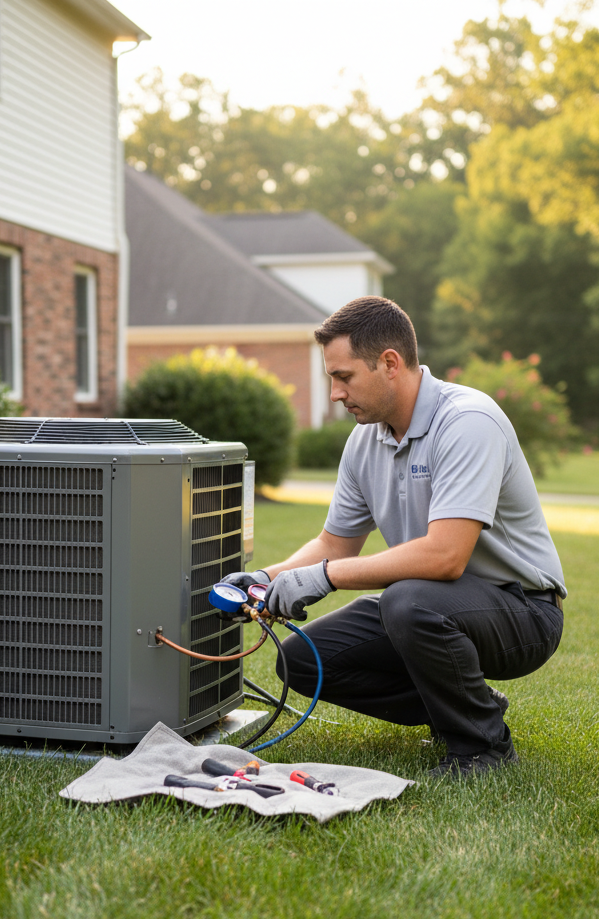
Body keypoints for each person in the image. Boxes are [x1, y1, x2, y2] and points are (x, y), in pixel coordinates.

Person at [222, 296, 566, 777]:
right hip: (429, 604)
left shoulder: (467, 422)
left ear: (389, 364)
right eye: (331, 379)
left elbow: (446, 557)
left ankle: (482, 748)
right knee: (303, 661)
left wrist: (324, 578)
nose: (336, 394)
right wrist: (265, 577)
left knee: (406, 602)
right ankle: (464, 704)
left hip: (523, 612)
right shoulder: (366, 439)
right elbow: (335, 544)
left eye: (344, 377)